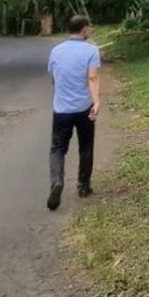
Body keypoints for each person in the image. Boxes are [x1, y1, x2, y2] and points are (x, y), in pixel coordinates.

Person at [46, 15, 101, 211]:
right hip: (83, 108)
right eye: (89, 27)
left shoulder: (56, 51)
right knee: (85, 146)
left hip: (61, 109)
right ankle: (83, 186)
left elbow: (53, 79)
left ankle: (57, 182)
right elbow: (92, 77)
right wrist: (96, 102)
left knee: (58, 148)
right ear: (84, 29)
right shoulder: (91, 50)